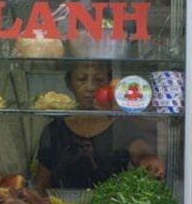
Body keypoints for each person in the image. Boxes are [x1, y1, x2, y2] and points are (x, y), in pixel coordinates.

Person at [34, 61, 164, 193]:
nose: (90, 87)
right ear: (69, 83)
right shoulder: (55, 129)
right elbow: (42, 183)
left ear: (109, 83)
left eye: (99, 79)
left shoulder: (122, 126)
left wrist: (149, 160)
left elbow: (141, 152)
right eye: (81, 79)